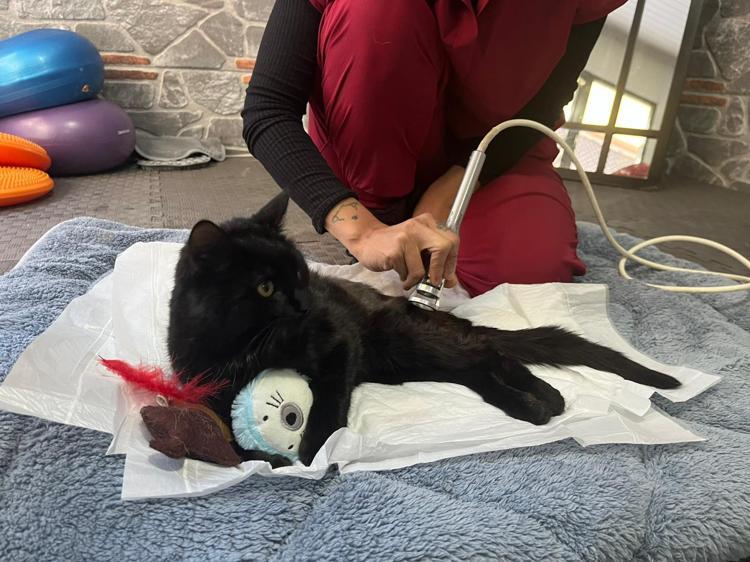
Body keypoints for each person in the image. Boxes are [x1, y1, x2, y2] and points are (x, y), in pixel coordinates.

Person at [242, 0, 625, 296]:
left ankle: (413, 228)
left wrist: (448, 191)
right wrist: (363, 231)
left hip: (492, 156)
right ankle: (384, 216)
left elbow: (545, 101)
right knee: (380, 13)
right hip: (369, 150)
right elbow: (269, 108)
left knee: (531, 272)